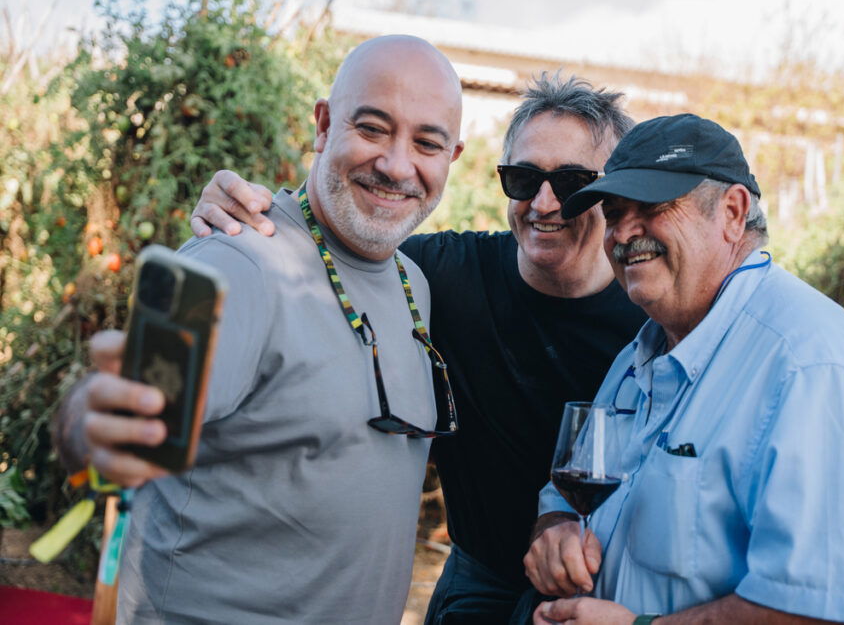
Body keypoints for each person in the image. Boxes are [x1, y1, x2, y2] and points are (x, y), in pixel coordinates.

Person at [188, 74, 649, 622]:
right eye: (523, 178)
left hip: (611, 592)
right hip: (480, 584)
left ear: (612, 192)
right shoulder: (434, 277)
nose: (543, 203)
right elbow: (341, 231)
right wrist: (240, 207)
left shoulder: (653, 313)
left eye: (572, 182)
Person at [53, 34, 466, 623]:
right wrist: (91, 421)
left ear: (451, 158)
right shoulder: (236, 261)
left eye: (427, 142)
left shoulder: (414, 283)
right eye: (372, 128)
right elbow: (128, 411)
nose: (397, 164)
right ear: (323, 126)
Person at [523, 113, 844, 625]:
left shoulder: (815, 368)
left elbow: (838, 612)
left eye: (653, 207)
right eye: (615, 213)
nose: (624, 233)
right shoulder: (639, 355)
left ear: (733, 212)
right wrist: (553, 528)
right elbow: (574, 483)